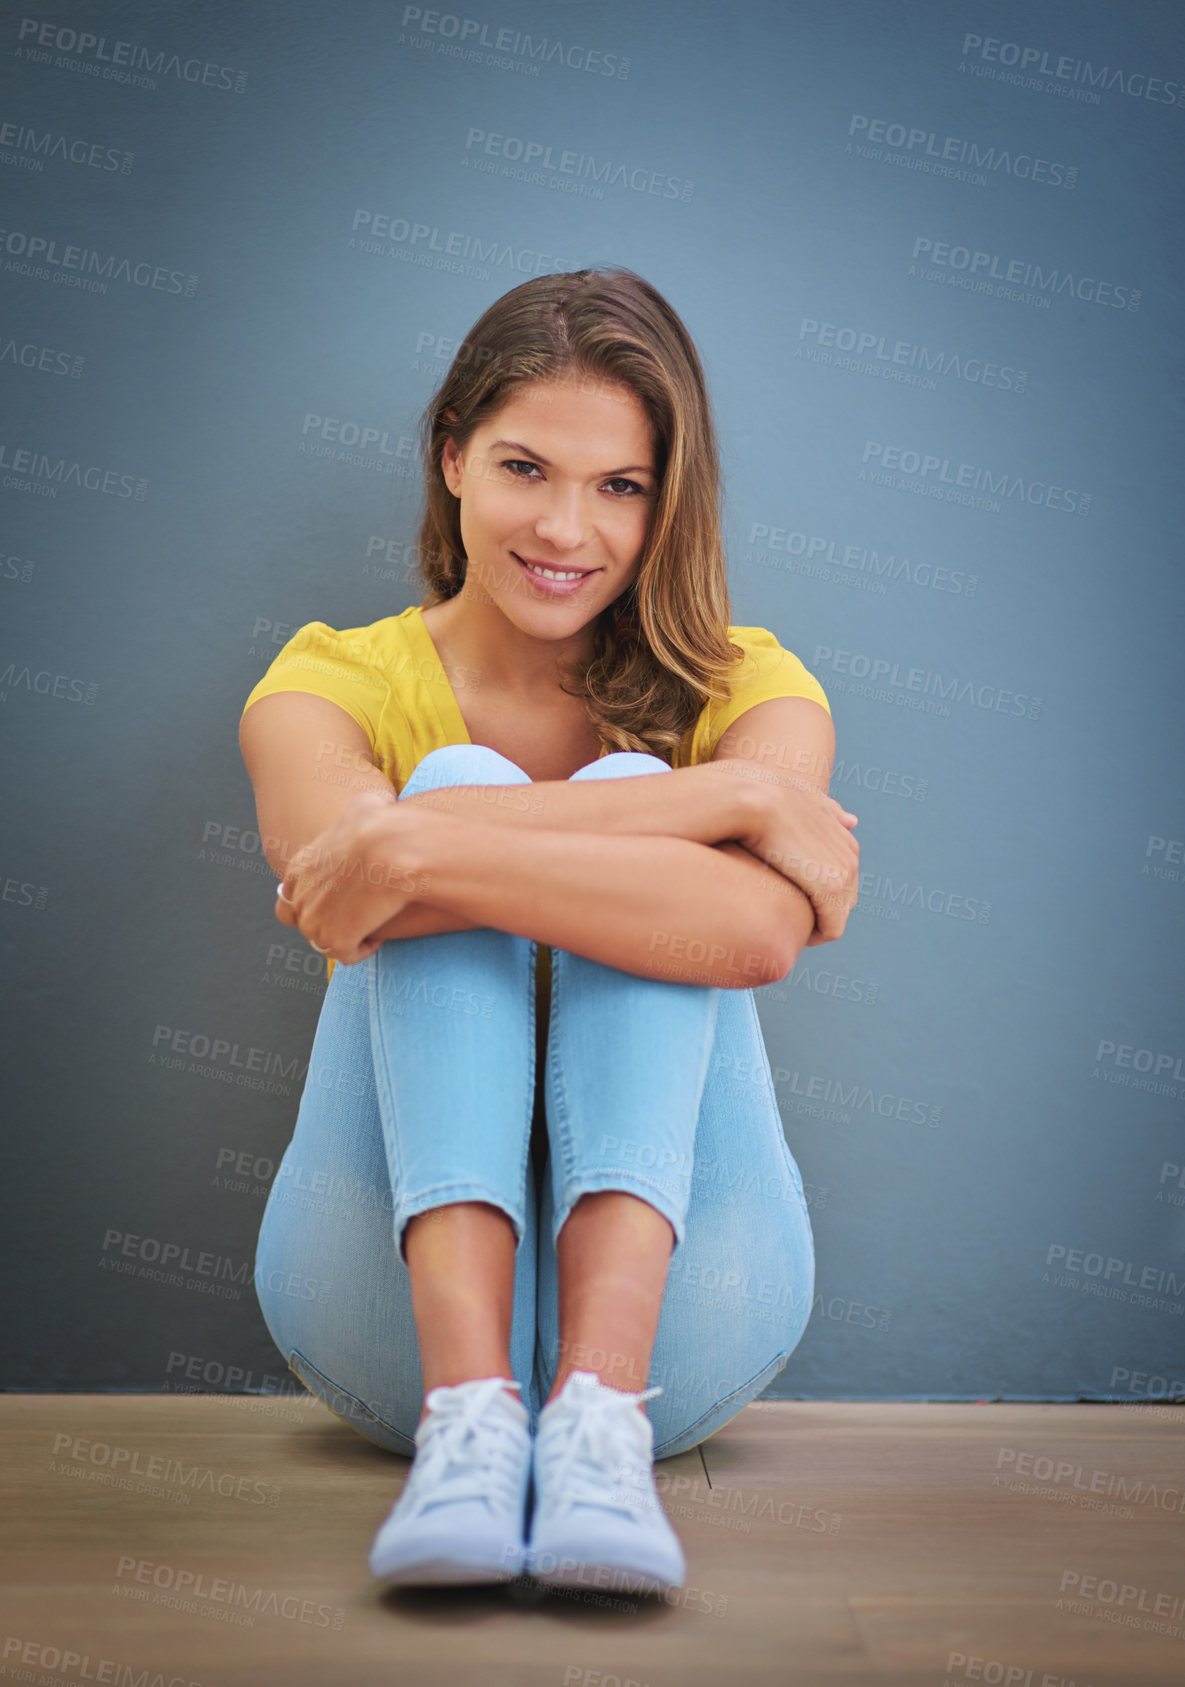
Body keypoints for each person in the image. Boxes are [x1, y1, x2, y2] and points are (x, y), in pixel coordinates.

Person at [238, 266, 859, 1598]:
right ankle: (469, 1420)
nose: (566, 526)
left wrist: (417, 845)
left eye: (620, 486)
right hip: (378, 1324)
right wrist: (729, 806)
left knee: (549, 794)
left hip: (693, 1317)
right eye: (525, 467)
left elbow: (754, 935)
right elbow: (339, 887)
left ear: (663, 501)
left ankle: (594, 1423)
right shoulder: (326, 682)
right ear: (451, 456)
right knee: (461, 781)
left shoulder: (747, 688)